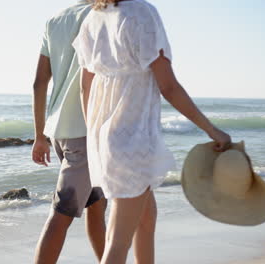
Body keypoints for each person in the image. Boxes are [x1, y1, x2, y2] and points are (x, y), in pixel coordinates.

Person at [72, 0, 232, 263]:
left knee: (146, 221)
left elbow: (84, 86)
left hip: (105, 138)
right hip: (133, 139)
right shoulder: (141, 13)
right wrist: (212, 130)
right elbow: (168, 86)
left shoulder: (94, 17)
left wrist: (95, 136)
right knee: (117, 242)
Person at [31, 1, 107, 263]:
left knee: (96, 206)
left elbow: (39, 82)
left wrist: (40, 136)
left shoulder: (54, 21)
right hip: (85, 132)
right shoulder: (103, 14)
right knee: (61, 213)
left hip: (59, 132)